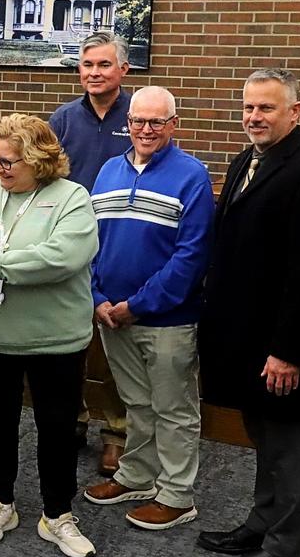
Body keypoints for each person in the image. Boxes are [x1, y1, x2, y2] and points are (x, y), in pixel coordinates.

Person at [196, 69, 300, 557]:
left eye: (266, 108)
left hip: (284, 346)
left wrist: (287, 351)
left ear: (294, 112)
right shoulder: (248, 159)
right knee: (263, 437)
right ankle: (262, 523)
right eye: (248, 108)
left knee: (290, 447)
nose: (254, 117)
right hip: (246, 336)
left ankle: (285, 550)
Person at [0, 114, 99, 557]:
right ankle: (0, 503)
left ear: (40, 161)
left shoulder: (72, 198)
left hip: (56, 340)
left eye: (9, 162)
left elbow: (63, 256)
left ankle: (58, 514)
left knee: (57, 428)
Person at [81, 86, 214, 531]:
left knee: (175, 409)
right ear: (128, 124)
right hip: (110, 316)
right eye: (138, 121)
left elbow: (191, 256)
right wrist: (98, 298)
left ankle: (177, 495)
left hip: (166, 318)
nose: (146, 129)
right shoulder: (107, 171)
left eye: (157, 121)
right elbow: (91, 242)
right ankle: (137, 475)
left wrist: (138, 305)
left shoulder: (191, 176)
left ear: (173, 124)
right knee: (137, 402)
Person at [49, 31, 132, 476]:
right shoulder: (63, 119)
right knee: (69, 343)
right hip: (69, 248)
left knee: (113, 348)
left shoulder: (139, 117)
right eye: (88, 65)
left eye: (104, 65)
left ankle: (116, 433)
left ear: (123, 69)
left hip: (119, 247)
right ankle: (74, 419)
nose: (95, 73)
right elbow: (43, 174)